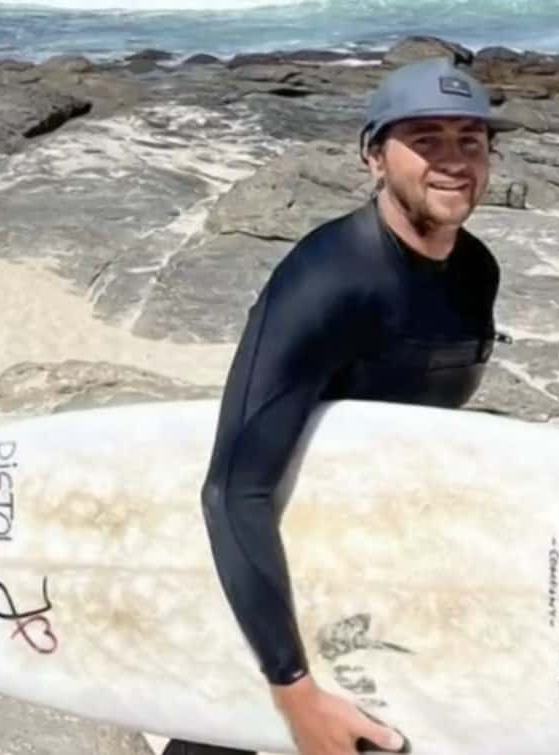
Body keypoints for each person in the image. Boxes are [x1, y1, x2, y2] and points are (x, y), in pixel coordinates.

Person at [164, 56, 512, 755]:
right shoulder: (324, 281)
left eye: (469, 141)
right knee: (222, 738)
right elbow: (233, 490)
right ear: (374, 156)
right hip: (279, 572)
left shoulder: (475, 269)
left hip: (385, 566)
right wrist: (294, 690)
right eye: (426, 139)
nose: (452, 162)